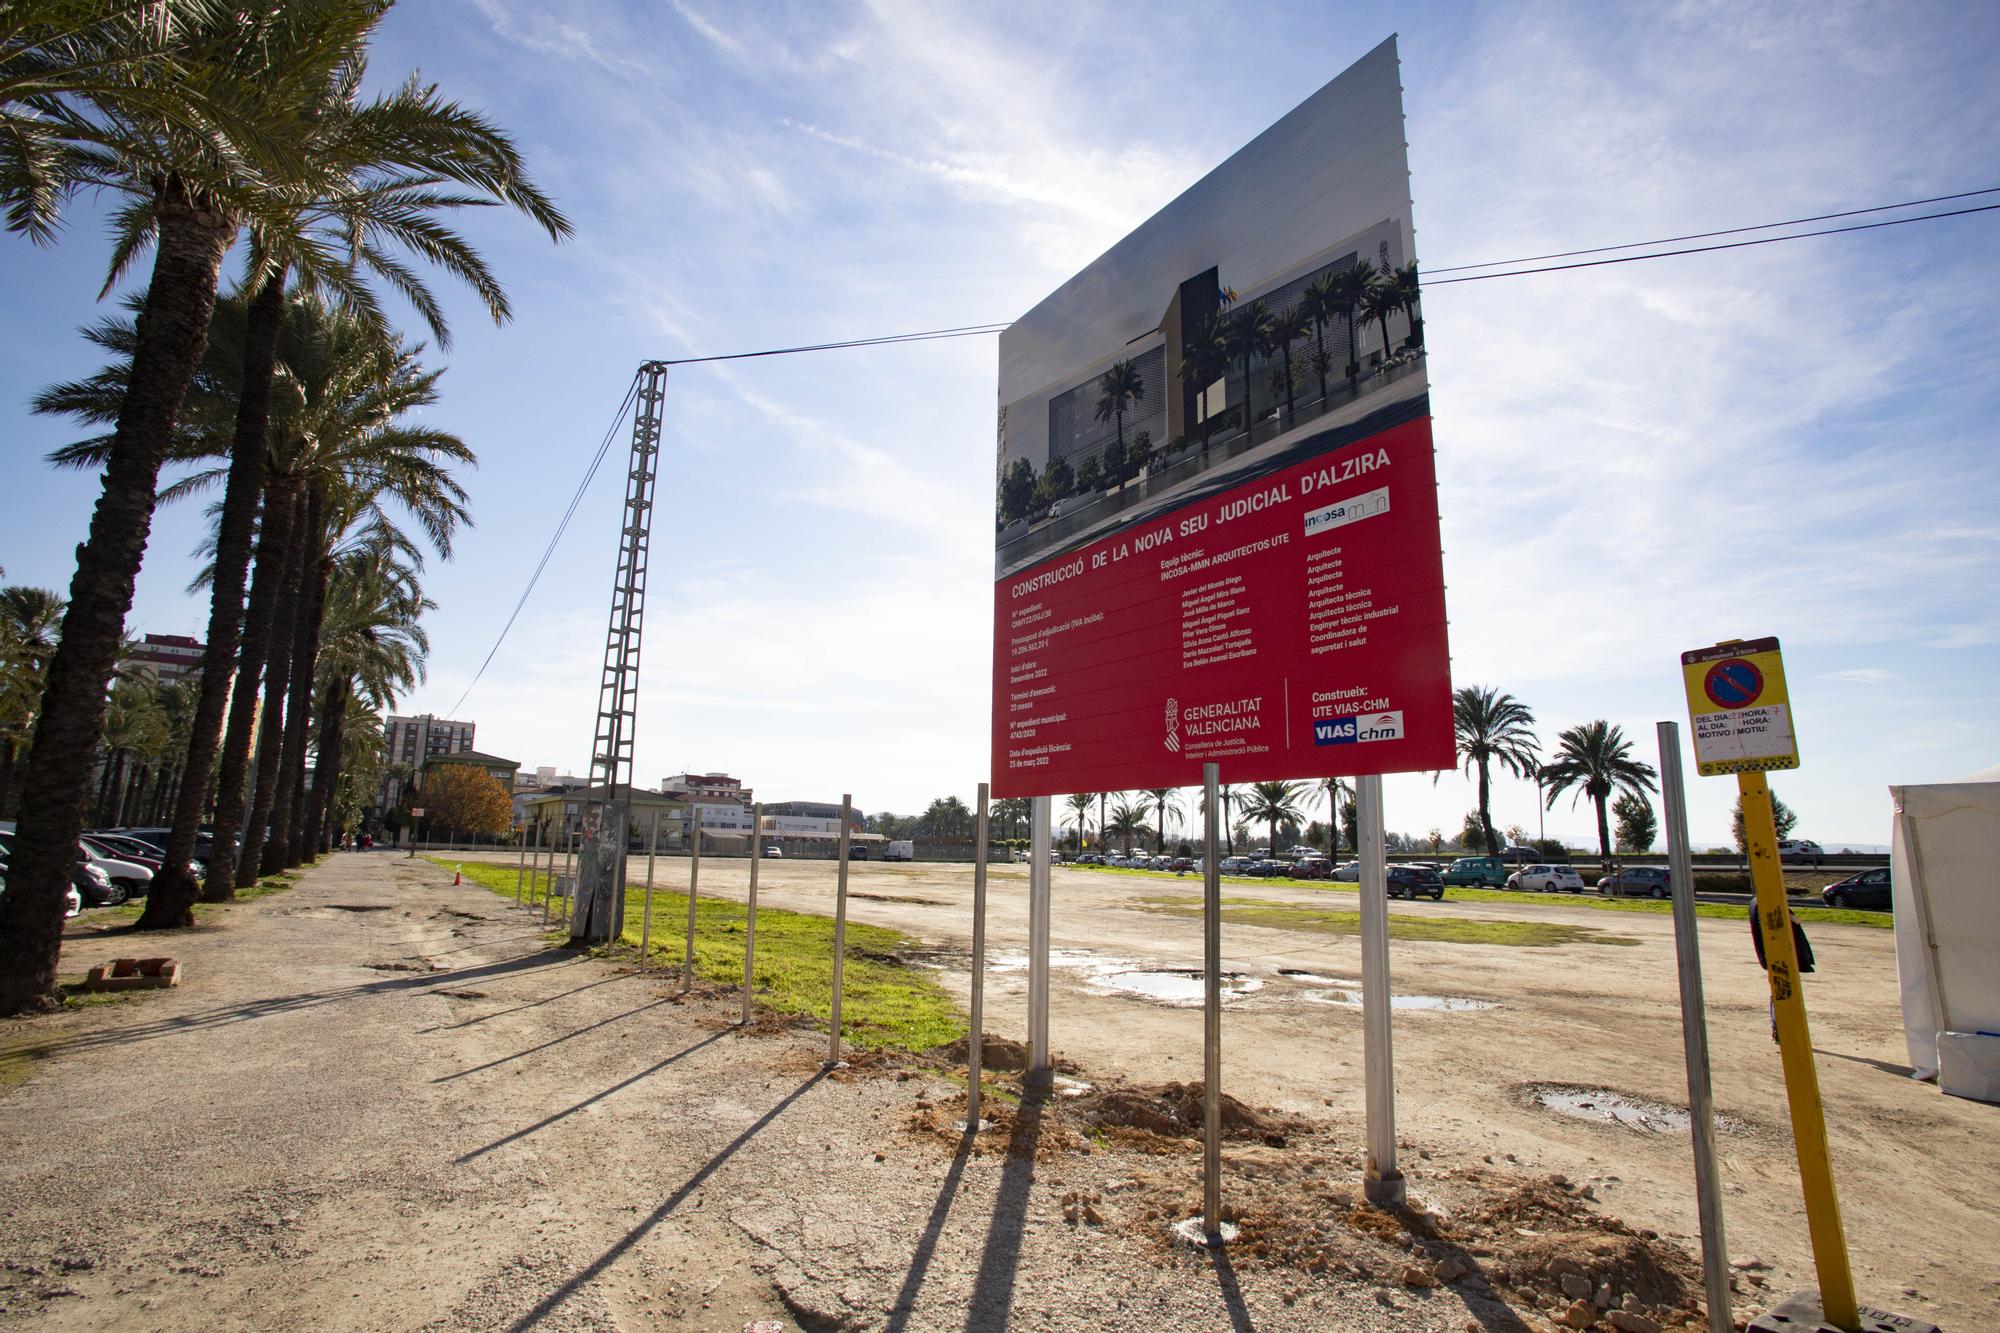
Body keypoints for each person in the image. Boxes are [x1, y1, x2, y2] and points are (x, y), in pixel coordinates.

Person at [1750, 905, 1815, 1043]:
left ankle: (1779, 1030)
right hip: (1780, 957)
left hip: (1777, 957)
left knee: (1778, 994)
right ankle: (1780, 1030)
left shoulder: (1760, 903)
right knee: (1781, 994)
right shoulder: (1767, 903)